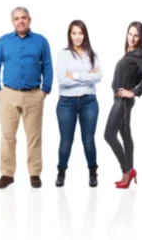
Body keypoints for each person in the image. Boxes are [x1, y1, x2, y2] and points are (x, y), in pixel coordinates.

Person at [0, 6, 53, 189]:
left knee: (34, 136)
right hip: (8, 94)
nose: (20, 21)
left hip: (34, 95)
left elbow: (47, 66)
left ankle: (34, 173)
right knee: (7, 136)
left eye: (23, 17)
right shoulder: (3, 41)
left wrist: (45, 90)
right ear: (12, 21)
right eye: (17, 18)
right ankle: (7, 174)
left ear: (30, 19)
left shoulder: (41, 41)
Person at [104, 21, 142, 189]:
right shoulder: (130, 53)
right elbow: (138, 75)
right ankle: (128, 174)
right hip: (119, 99)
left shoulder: (140, 54)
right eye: (130, 34)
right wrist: (131, 86)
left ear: (141, 38)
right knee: (125, 134)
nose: (132, 38)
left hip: (124, 101)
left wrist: (133, 91)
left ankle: (127, 170)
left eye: (136, 35)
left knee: (109, 135)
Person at [54, 20, 102, 188]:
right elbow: (61, 80)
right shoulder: (63, 54)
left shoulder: (92, 54)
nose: (77, 37)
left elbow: (99, 77)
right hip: (67, 102)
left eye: (80, 33)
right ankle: (61, 172)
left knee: (89, 140)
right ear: (69, 35)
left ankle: (93, 172)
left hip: (89, 101)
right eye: (74, 33)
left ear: (85, 35)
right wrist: (86, 76)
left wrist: (73, 75)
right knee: (66, 141)